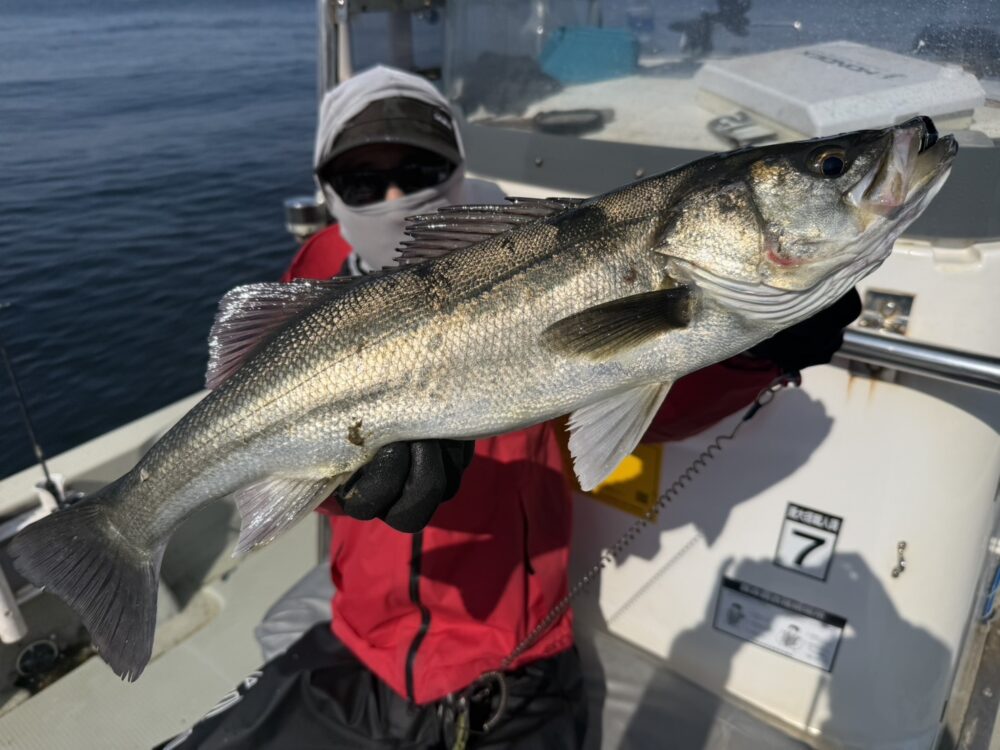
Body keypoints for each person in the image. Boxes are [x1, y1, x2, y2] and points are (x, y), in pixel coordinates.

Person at [160, 66, 860, 749]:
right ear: (329, 189)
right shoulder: (315, 270)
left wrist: (753, 354)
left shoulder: (537, 243)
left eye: (422, 169)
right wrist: (340, 491)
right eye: (363, 182)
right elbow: (273, 438)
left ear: (457, 165)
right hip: (359, 643)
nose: (397, 196)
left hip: (514, 658)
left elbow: (654, 395)